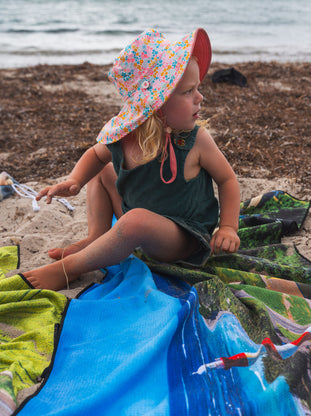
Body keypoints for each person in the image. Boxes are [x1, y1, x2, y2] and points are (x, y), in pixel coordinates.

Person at [23, 28, 240, 291]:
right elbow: (95, 153)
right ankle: (97, 236)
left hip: (183, 236)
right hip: (137, 220)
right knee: (103, 172)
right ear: (156, 106)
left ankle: (70, 269)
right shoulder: (124, 138)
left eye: (197, 89)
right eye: (188, 92)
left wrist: (228, 227)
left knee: (136, 220)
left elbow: (227, 180)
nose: (200, 97)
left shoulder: (196, 141)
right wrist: (75, 180)